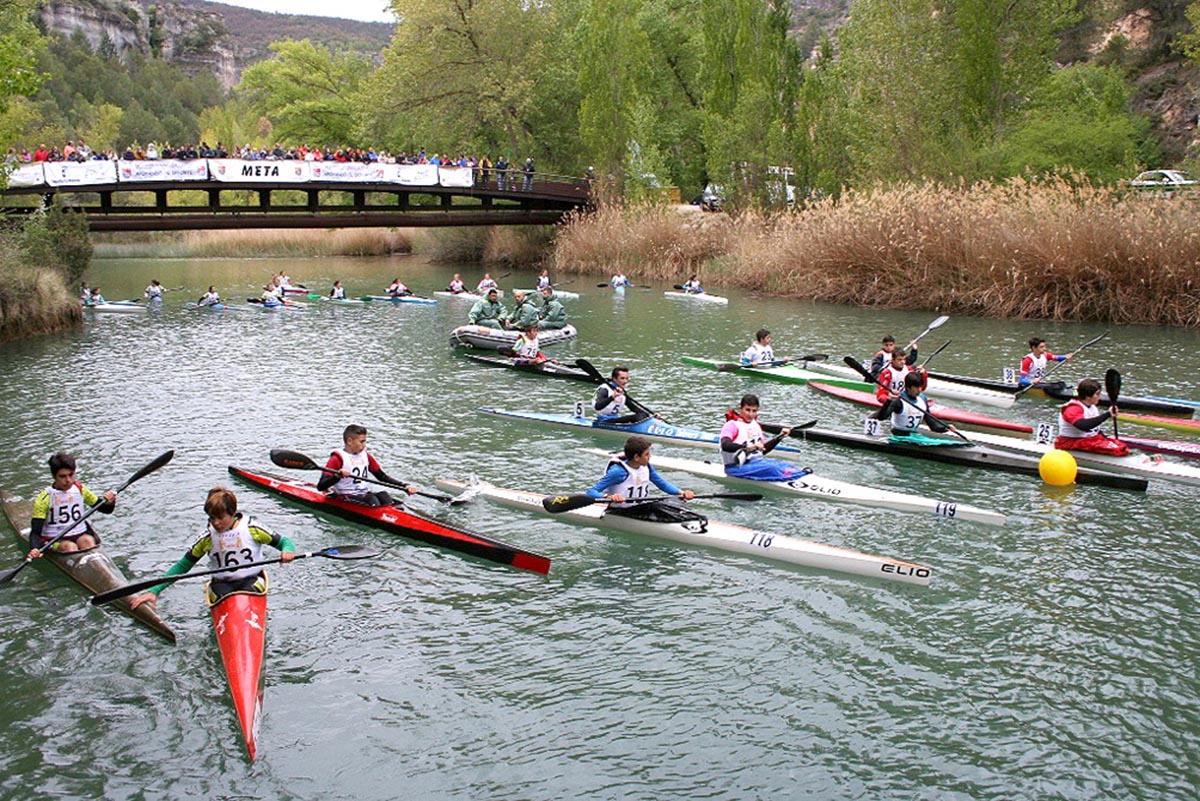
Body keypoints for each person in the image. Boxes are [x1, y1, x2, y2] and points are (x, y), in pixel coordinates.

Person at [129, 487, 295, 611]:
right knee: (223, 596)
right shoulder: (206, 538)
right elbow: (182, 566)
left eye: (221, 517)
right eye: (212, 518)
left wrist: (287, 551)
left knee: (248, 592)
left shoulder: (253, 529)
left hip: (251, 581)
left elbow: (285, 542)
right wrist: (155, 591)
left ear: (232, 513)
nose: (216, 523)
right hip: (221, 585)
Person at [586, 436, 701, 525]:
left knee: (674, 501)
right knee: (659, 507)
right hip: (622, 512)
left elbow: (661, 483)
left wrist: (681, 493)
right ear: (636, 457)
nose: (649, 456)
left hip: (641, 508)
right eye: (646, 454)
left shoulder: (646, 466)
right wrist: (609, 497)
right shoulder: (618, 472)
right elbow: (591, 492)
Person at [27, 452, 116, 559]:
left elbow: (106, 510)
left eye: (71, 474)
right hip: (54, 539)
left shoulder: (80, 489)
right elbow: (36, 532)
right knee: (70, 547)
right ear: (54, 476)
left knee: (88, 541)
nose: (68, 480)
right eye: (62, 476)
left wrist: (111, 502)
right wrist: (34, 548)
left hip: (79, 534)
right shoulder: (44, 498)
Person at [316, 424, 417, 507]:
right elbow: (321, 486)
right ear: (349, 441)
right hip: (344, 497)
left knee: (384, 496)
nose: (364, 445)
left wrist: (404, 486)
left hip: (363, 495)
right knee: (372, 499)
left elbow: (382, 477)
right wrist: (337, 476)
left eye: (365, 441)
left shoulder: (366, 456)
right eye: (361, 441)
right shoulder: (337, 459)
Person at [720, 395, 807, 480]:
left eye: (754, 411)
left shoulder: (756, 425)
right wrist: (746, 447)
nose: (750, 414)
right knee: (771, 467)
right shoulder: (731, 425)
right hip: (736, 468)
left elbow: (763, 450)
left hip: (757, 463)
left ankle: (800, 475)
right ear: (741, 409)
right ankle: (794, 477)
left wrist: (780, 437)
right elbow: (725, 445)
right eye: (747, 410)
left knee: (783, 465)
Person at [1055, 378, 1129, 455]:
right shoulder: (1073, 408)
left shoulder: (1092, 406)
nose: (1100, 396)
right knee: (1118, 450)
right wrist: (1107, 414)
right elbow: (1083, 425)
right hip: (1070, 443)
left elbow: (1095, 430)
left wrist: (1106, 439)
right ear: (1088, 396)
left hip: (1089, 440)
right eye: (1097, 394)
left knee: (1121, 445)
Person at [871, 372, 957, 438]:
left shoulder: (922, 399)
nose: (919, 390)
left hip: (913, 436)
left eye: (920, 387)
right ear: (908, 387)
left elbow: (932, 424)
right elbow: (882, 417)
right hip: (897, 436)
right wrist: (888, 400)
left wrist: (946, 427)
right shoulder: (898, 401)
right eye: (916, 387)